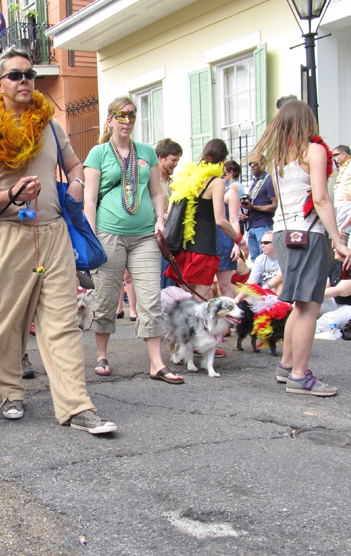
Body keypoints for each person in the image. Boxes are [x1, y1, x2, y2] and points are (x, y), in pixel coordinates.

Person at [0, 46, 116, 434]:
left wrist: (78, 183)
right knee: (5, 321)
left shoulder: (50, 125)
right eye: (16, 75)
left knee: (63, 322)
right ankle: (10, 391)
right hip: (12, 236)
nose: (26, 80)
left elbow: (75, 164)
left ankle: (76, 407)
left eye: (29, 74)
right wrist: (10, 196)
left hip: (54, 233)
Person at [252, 100, 351, 396]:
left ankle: (288, 365)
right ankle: (299, 374)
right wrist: (338, 240)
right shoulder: (314, 149)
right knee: (310, 305)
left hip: (284, 232)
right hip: (308, 233)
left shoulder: (279, 158)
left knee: (300, 302)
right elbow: (321, 199)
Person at [83, 96, 182, 384]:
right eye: (121, 115)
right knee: (106, 297)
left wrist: (160, 218)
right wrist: (92, 236)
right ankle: (101, 354)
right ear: (110, 120)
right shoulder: (99, 153)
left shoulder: (148, 153)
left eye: (132, 115)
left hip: (144, 237)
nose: (127, 121)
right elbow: (89, 198)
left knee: (150, 297)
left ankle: (157, 363)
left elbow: (155, 192)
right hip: (108, 234)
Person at [164, 139, 242, 300]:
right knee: (200, 300)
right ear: (222, 161)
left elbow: (170, 211)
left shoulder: (187, 178)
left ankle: (186, 325)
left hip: (184, 247)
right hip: (205, 249)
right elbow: (220, 220)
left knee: (188, 299)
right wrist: (239, 240)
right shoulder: (216, 182)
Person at [155, 138, 182, 290]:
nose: (176, 164)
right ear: (161, 157)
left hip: (173, 242)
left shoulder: (174, 183)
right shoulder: (150, 182)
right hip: (158, 242)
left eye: (178, 160)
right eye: (173, 160)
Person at [217, 160, 244, 298]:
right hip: (206, 241)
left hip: (224, 240)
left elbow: (234, 220)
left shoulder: (230, 193)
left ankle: (229, 317)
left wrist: (236, 244)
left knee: (223, 286)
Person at [242, 154, 277, 260]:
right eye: (250, 164)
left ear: (264, 164)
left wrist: (254, 207)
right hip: (252, 226)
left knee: (266, 259)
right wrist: (244, 213)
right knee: (256, 261)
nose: (252, 166)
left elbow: (275, 205)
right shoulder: (255, 182)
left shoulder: (269, 180)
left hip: (263, 225)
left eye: (255, 163)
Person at [234, 230, 282, 301]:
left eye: (266, 243)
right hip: (265, 292)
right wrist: (237, 299)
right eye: (261, 243)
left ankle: (279, 305)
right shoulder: (260, 259)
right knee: (246, 299)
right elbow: (252, 282)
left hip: (278, 292)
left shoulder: (284, 257)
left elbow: (281, 277)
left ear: (276, 243)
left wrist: (265, 288)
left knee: (280, 284)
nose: (262, 245)